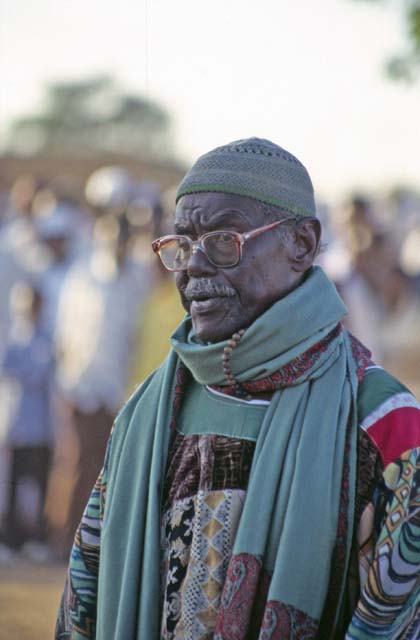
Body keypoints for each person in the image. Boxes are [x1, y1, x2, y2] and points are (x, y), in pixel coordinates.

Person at [56, 138, 420, 639]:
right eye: (181, 245)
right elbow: (85, 601)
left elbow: (397, 617)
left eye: (224, 239)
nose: (195, 266)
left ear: (303, 244)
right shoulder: (146, 414)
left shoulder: (382, 420)